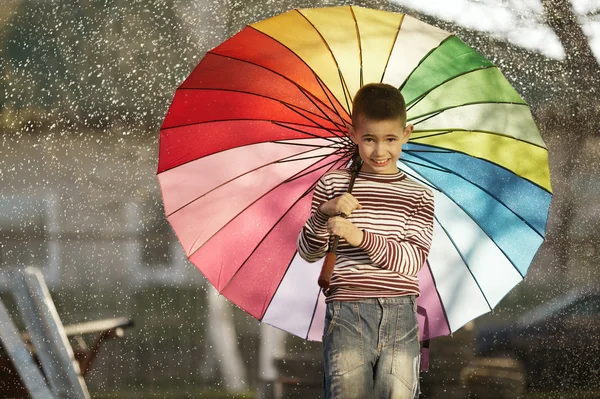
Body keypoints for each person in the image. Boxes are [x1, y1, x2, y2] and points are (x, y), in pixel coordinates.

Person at [297, 83, 435, 399]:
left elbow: (411, 261)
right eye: (369, 139)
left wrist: (358, 237)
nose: (379, 151)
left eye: (390, 139)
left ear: (407, 133)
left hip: (401, 313)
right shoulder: (334, 184)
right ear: (353, 133)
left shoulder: (418, 195)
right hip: (347, 311)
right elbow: (308, 252)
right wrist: (324, 213)